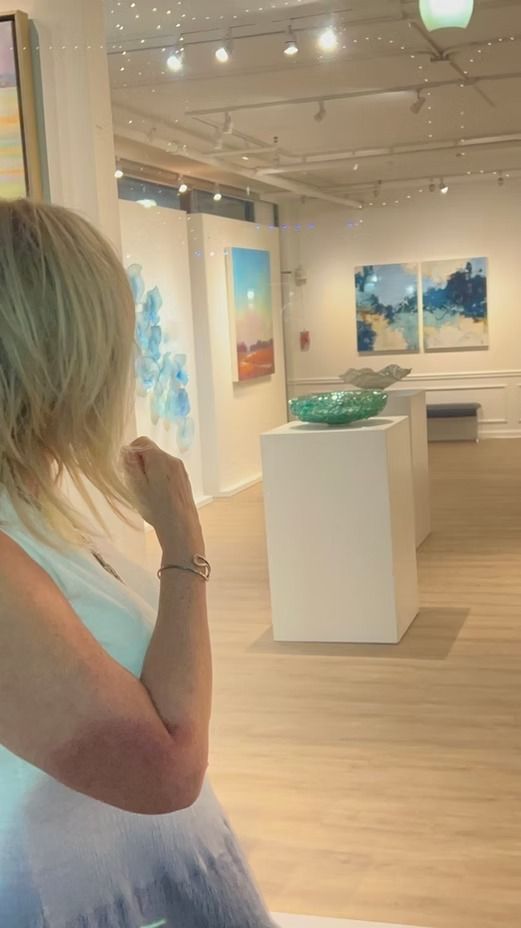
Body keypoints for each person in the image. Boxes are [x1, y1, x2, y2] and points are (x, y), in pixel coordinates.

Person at [0, 199, 277, 928]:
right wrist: (182, 545)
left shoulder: (33, 504)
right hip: (66, 899)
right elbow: (168, 771)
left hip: (137, 878)